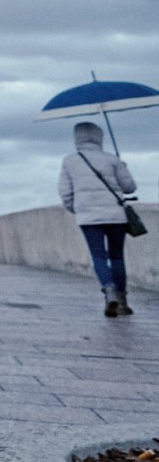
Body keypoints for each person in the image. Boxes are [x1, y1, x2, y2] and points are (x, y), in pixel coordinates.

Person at [58, 122, 139, 317]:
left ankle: (108, 290)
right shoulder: (112, 159)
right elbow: (129, 188)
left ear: (77, 138)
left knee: (99, 256)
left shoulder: (70, 161)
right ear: (99, 137)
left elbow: (65, 192)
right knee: (117, 256)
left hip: (88, 216)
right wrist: (123, 166)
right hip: (116, 215)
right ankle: (123, 301)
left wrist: (78, 208)